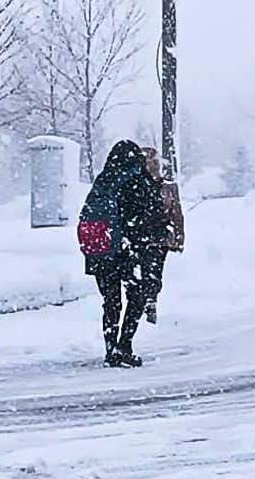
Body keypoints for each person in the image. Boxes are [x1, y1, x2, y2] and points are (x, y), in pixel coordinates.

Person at [79, 140, 150, 368]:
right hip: (126, 250)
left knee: (111, 301)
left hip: (101, 251)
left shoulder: (104, 179)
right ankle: (125, 345)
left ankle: (111, 349)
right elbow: (143, 212)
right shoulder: (135, 178)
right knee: (137, 295)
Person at [138, 147, 185, 324]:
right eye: (149, 162)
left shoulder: (168, 187)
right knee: (144, 270)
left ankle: (150, 300)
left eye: (154, 162)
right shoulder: (136, 186)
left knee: (154, 270)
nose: (153, 166)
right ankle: (145, 300)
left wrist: (179, 238)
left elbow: (177, 213)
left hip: (160, 236)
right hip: (140, 236)